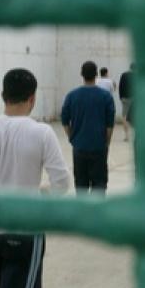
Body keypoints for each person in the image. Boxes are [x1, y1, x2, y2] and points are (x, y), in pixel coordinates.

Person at [0, 68, 72, 288]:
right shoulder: (41, 132)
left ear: (3, 95)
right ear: (32, 98)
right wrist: (41, 194)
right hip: (24, 233)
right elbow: (61, 182)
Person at [61, 61, 116, 195]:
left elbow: (64, 120)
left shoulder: (72, 96)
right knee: (99, 185)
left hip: (79, 147)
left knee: (81, 185)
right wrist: (106, 142)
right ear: (96, 74)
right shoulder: (106, 96)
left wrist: (72, 137)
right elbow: (109, 125)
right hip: (99, 147)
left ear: (81, 74)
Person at [117, 64, 133, 141]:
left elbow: (120, 86)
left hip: (125, 99)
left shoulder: (124, 75)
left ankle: (127, 136)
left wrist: (121, 97)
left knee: (124, 117)